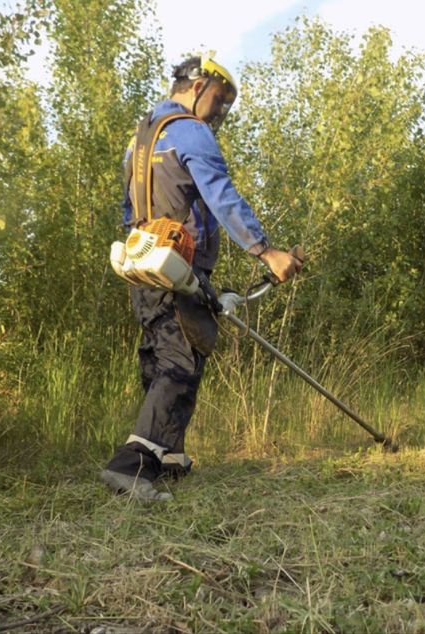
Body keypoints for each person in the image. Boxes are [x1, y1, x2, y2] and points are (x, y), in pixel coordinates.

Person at [100, 54, 302, 501]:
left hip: (143, 259)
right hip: (175, 263)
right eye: (220, 100)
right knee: (179, 362)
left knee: (159, 356)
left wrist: (142, 245)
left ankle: (169, 455)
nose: (221, 112)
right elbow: (221, 196)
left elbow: (128, 211)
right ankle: (131, 468)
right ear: (197, 85)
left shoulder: (140, 139)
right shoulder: (191, 130)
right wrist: (266, 252)